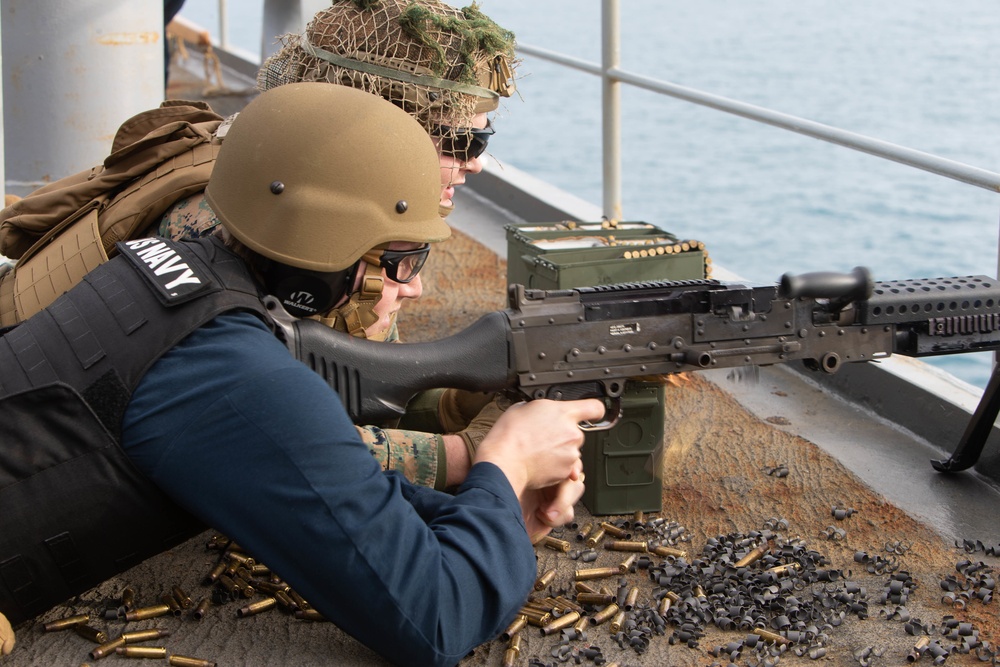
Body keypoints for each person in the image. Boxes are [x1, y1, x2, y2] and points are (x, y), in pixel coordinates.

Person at [0, 82, 601, 666]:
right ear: (323, 259)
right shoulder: (230, 374)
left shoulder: (169, 271)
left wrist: (493, 513)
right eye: (399, 260)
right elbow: (438, 618)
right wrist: (507, 459)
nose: (413, 284)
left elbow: (339, 498)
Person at [153, 0, 519, 491]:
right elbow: (261, 445)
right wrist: (472, 456)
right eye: (460, 142)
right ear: (378, 134)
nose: (475, 163)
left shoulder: (339, 213)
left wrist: (453, 402)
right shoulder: (250, 235)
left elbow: (361, 388)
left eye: (482, 140)